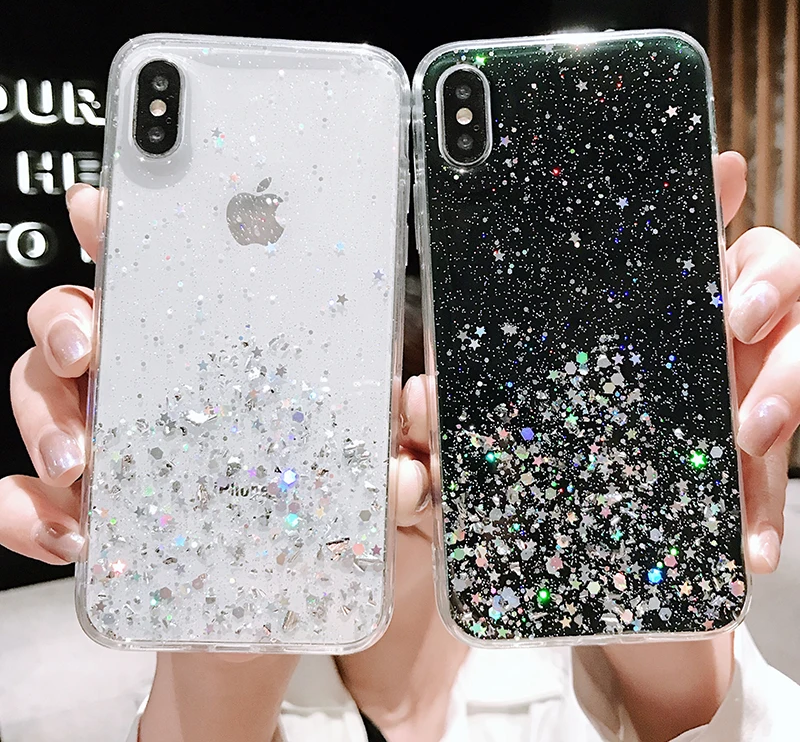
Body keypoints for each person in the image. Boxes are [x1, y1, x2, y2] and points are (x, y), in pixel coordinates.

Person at [2, 151, 800, 742]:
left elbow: (703, 712)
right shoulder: (252, 679)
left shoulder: (583, 654)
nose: (403, 448)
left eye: (438, 411)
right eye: (339, 424)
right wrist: (226, 631)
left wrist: (663, 597)